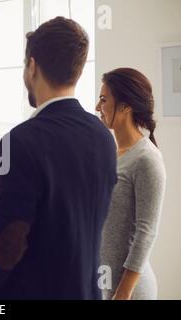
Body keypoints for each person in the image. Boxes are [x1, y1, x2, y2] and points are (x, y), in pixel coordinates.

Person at [0, 17, 117, 299]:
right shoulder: (103, 138)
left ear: (32, 66)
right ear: (78, 70)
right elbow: (64, 210)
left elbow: (9, 240)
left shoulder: (18, 141)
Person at [96, 68, 166, 300]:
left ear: (126, 106)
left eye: (104, 100)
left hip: (130, 292)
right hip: (105, 285)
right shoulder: (112, 154)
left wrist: (122, 294)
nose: (98, 107)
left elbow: (146, 232)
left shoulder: (147, 158)